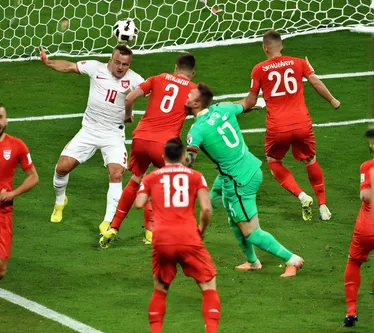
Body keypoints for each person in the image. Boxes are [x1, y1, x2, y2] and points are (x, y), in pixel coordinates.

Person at [186, 83, 304, 276]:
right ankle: (252, 261)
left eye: (190, 94)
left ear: (197, 103)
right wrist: (257, 102)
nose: (187, 95)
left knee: (250, 231)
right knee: (233, 219)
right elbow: (246, 104)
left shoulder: (196, 131)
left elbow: (190, 161)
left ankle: (292, 259)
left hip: (238, 182)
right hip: (249, 168)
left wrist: (174, 168)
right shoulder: (223, 107)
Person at [134, 138, 228, 333]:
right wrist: (201, 231)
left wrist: (151, 198)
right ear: (184, 156)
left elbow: (138, 203)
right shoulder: (195, 176)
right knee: (208, 285)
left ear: (164, 156)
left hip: (162, 239)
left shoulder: (151, 177)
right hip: (189, 237)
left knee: (160, 289)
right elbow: (206, 209)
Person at [40, 45, 144, 235]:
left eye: (126, 64)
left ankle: (107, 222)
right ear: (110, 60)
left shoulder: (134, 79)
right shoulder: (95, 68)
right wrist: (48, 62)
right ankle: (60, 201)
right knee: (61, 168)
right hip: (89, 131)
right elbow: (69, 66)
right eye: (118, 62)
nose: (121, 67)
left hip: (113, 134)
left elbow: (153, 90)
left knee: (117, 173)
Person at [240, 30, 341, 221]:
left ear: (264, 47)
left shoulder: (259, 69)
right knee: (310, 159)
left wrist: (237, 111)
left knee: (273, 161)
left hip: (278, 128)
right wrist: (333, 100)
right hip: (302, 123)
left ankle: (302, 196)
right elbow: (315, 82)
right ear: (282, 46)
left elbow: (251, 100)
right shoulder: (298, 62)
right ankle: (323, 206)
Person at [100, 54, 197, 248]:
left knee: (136, 180)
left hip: (140, 138)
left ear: (175, 68)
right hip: (165, 145)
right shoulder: (193, 90)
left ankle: (114, 227)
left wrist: (128, 116)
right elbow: (199, 117)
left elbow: (129, 97)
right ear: (192, 73)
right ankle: (156, 232)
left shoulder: (158, 78)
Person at [0, 104, 39, 279]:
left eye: (1, 117)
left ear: (6, 120)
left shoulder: (16, 146)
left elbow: (33, 177)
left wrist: (12, 193)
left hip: (3, 211)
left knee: (1, 267)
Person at [343, 129, 374, 327]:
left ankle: (351, 311)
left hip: (367, 225)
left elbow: (365, 196)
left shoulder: (367, 166)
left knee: (354, 262)